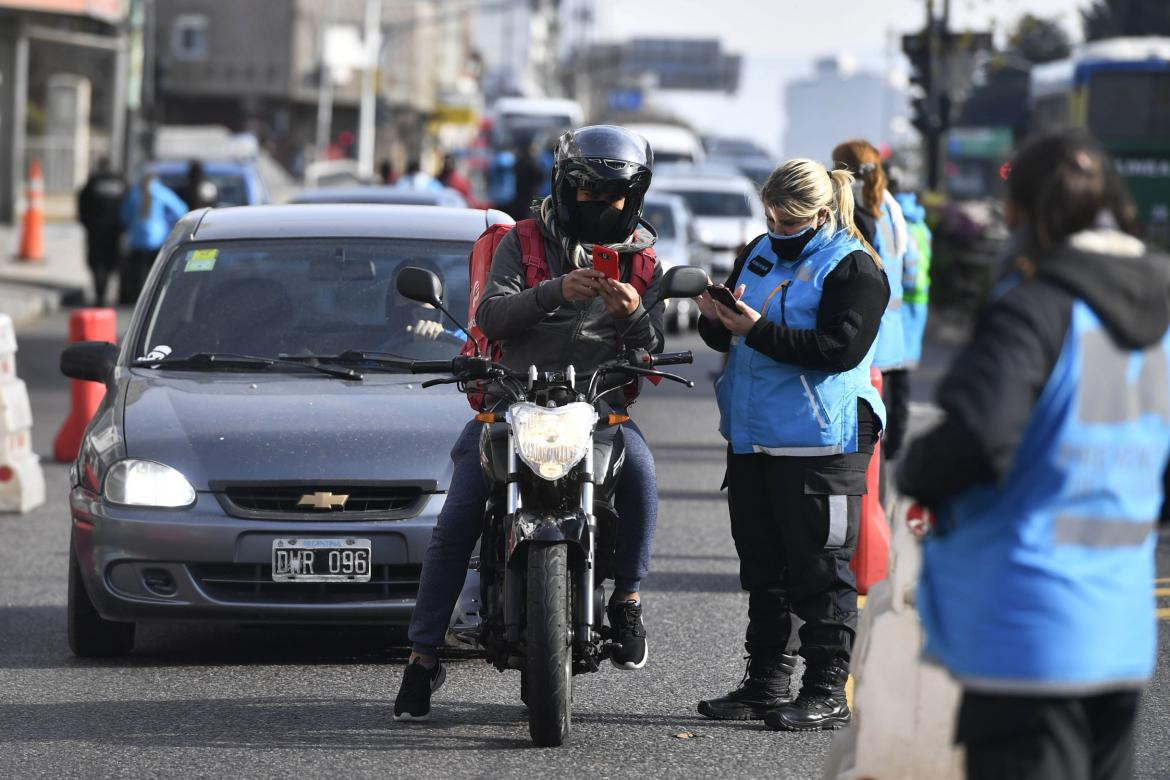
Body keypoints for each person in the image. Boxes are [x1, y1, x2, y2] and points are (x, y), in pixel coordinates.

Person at [897, 130, 1170, 780]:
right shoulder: (1160, 321)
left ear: (1031, 217)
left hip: (1025, 634)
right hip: (1122, 633)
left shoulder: (1038, 313)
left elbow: (975, 440)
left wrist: (917, 470)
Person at [394, 125, 665, 721]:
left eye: (613, 197)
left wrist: (634, 314)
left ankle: (627, 598)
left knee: (642, 474)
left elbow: (653, 347)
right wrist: (554, 291)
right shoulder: (521, 241)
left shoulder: (643, 258)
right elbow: (491, 315)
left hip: (597, 409)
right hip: (512, 401)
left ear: (634, 197)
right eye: (588, 194)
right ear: (566, 188)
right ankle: (421, 657)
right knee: (459, 514)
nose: (601, 207)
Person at [694, 159, 889, 731]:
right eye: (771, 218)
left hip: (822, 439)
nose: (777, 230)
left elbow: (838, 350)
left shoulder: (854, 267)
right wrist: (714, 320)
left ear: (822, 214)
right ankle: (765, 683)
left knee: (819, 569)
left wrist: (752, 328)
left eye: (789, 221)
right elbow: (735, 330)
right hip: (755, 436)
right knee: (764, 566)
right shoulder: (757, 250)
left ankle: (827, 689)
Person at [833, 141, 910, 462]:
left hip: (869, 331)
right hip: (893, 329)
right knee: (889, 419)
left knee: (869, 429)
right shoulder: (890, 207)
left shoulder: (857, 211)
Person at [118, 170, 188, 304]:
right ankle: (152, 298)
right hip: (158, 239)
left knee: (138, 271)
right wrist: (169, 223)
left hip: (137, 240)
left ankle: (137, 298)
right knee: (155, 270)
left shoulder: (134, 193)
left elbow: (124, 216)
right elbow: (181, 209)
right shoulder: (161, 192)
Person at [76, 157, 125, 306]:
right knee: (110, 263)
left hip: (96, 231)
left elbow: (82, 203)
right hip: (114, 232)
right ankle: (102, 293)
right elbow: (128, 205)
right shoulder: (120, 181)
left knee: (97, 263)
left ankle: (99, 294)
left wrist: (87, 223)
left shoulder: (93, 182)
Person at [893, 188, 932, 372]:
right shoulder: (923, 227)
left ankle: (898, 401)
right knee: (910, 352)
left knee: (896, 358)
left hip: (905, 294)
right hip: (921, 292)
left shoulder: (902, 226)